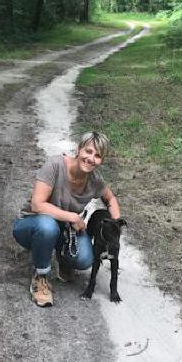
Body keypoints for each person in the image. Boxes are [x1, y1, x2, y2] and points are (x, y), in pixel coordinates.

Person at [12, 131, 120, 307]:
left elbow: (111, 199)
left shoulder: (95, 180)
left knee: (85, 259)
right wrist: (72, 217)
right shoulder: (55, 165)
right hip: (32, 225)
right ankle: (40, 277)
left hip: (65, 230)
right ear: (79, 149)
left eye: (98, 156)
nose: (91, 158)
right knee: (48, 227)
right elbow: (37, 205)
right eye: (88, 151)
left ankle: (63, 258)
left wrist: (116, 225)